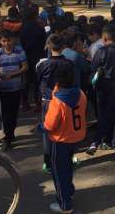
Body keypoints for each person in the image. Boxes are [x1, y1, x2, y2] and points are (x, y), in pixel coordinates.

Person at [42, 61, 87, 214]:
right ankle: (70, 190)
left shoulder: (58, 102)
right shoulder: (80, 94)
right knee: (67, 166)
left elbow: (50, 125)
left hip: (60, 141)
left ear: (57, 81)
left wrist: (41, 127)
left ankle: (65, 204)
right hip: (75, 138)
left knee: (59, 172)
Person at [87, 26, 115, 155]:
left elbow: (93, 67)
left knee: (103, 114)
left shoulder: (101, 51)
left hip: (104, 86)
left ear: (104, 38)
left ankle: (101, 140)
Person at [36, 34, 73, 172]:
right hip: (64, 100)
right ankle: (65, 160)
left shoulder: (42, 64)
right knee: (64, 130)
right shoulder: (68, 63)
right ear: (63, 47)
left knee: (48, 131)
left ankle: (48, 161)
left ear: (48, 46)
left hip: (48, 100)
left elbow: (38, 80)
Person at [0, 30, 28, 151]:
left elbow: (25, 66)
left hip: (16, 87)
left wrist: (13, 74)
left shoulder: (19, 51)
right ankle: (7, 136)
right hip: (2, 87)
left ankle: (10, 133)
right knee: (4, 112)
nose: (6, 43)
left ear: (13, 40)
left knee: (13, 111)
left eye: (8, 40)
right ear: (0, 41)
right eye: (4, 41)